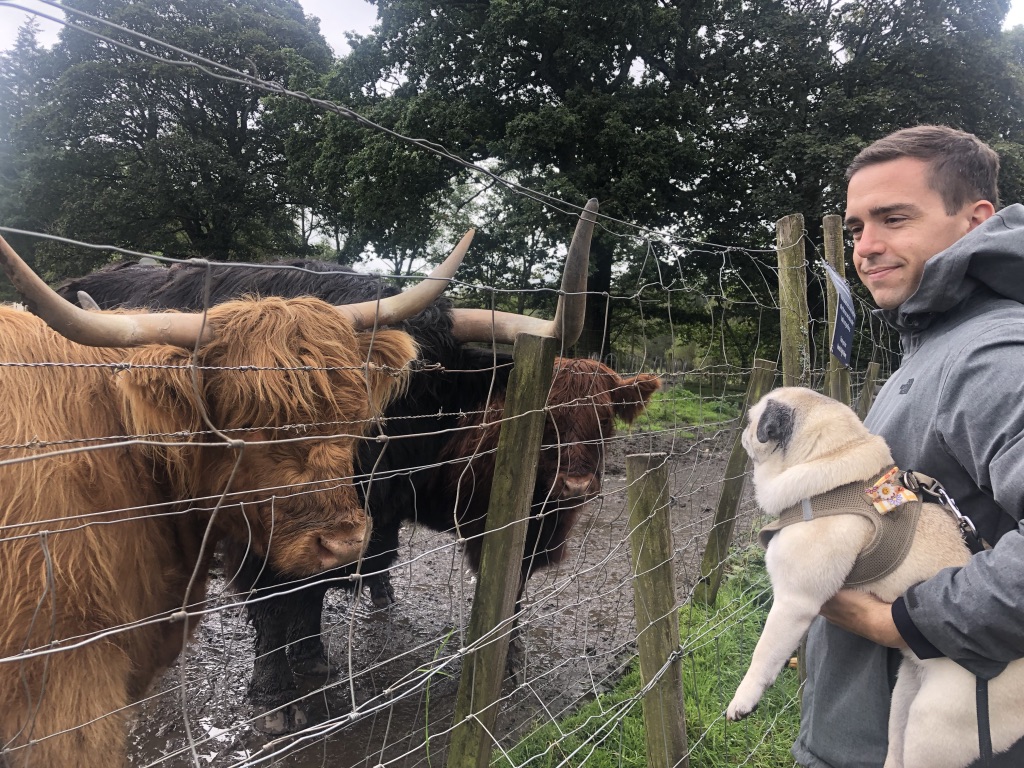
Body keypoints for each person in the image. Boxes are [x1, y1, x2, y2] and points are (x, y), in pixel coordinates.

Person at [793, 125, 1024, 767]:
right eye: (855, 228)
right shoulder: (934, 348)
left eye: (894, 219)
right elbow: (916, 501)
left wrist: (898, 623)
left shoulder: (990, 354)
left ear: (976, 219)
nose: (866, 247)